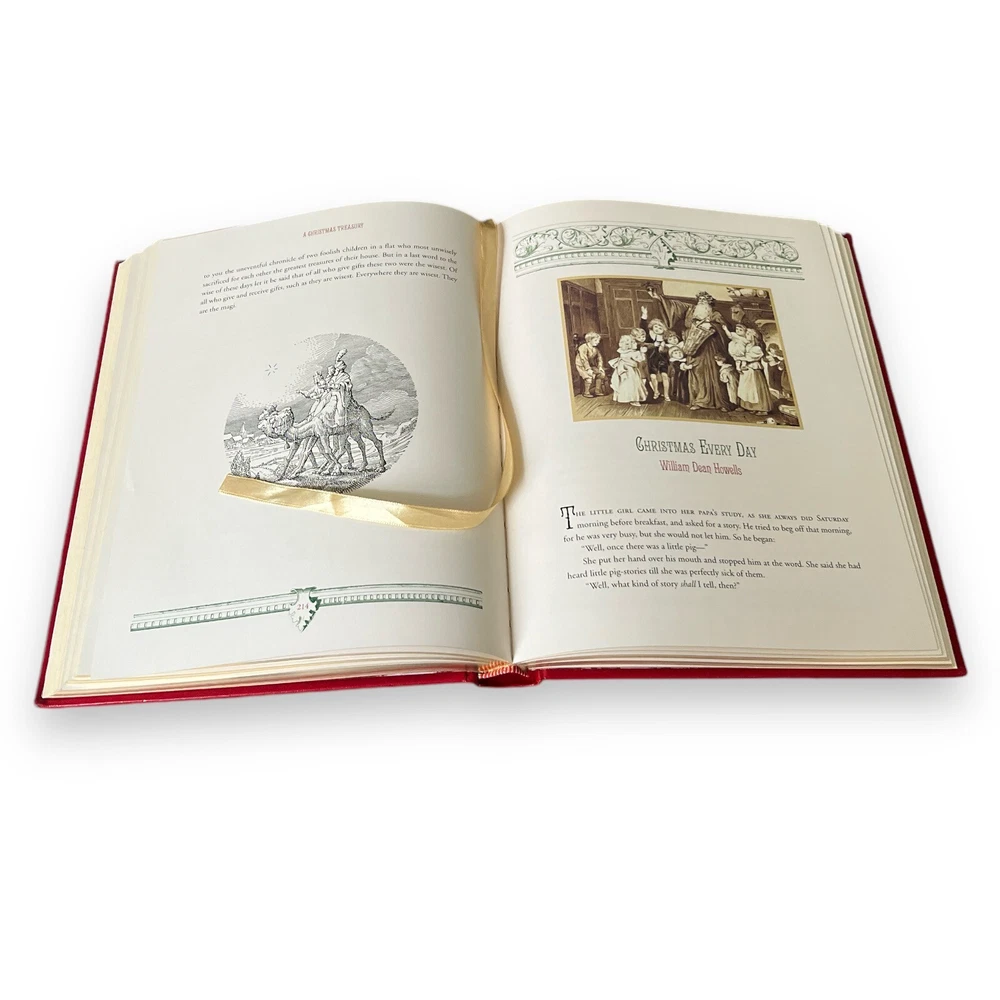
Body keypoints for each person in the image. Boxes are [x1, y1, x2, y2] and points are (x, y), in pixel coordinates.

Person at [682, 292, 732, 411]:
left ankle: (720, 402)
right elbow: (687, 326)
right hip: (696, 349)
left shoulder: (715, 314)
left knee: (714, 373)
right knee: (697, 374)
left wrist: (712, 326)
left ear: (709, 303)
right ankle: (699, 401)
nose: (701, 302)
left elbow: (725, 329)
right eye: (700, 300)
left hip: (711, 348)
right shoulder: (691, 313)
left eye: (704, 300)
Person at [736, 327, 771, 414]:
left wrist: (738, 357)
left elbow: (748, 358)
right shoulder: (747, 346)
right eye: (746, 333)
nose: (746, 335)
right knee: (746, 389)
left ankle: (761, 408)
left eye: (748, 334)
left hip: (754, 370)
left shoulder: (757, 348)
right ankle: (747, 406)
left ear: (754, 336)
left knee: (755, 390)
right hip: (746, 371)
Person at [609, 333, 648, 406]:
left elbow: (638, 360)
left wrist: (641, 354)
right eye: (623, 344)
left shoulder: (627, 352)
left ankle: (630, 398)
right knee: (629, 384)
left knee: (629, 384)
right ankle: (631, 399)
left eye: (627, 344)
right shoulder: (629, 352)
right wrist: (642, 353)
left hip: (628, 370)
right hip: (627, 370)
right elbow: (639, 359)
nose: (625, 346)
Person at [575, 332, 608, 397]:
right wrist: (588, 369)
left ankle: (597, 391)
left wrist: (600, 367)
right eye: (595, 340)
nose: (598, 342)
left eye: (598, 340)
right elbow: (583, 359)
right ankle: (586, 392)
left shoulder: (595, 349)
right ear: (589, 340)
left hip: (591, 365)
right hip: (581, 366)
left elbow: (599, 359)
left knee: (601, 374)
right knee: (589, 377)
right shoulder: (583, 347)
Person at [646, 319, 671, 400]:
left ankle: (666, 394)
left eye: (660, 328)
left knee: (665, 375)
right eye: (656, 327)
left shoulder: (665, 338)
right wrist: (653, 345)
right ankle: (656, 392)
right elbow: (645, 345)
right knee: (653, 376)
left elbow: (670, 348)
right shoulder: (650, 336)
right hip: (652, 360)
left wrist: (664, 347)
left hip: (663, 360)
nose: (657, 329)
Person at [665, 333, 689, 405]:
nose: (673, 340)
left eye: (675, 338)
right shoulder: (674, 361)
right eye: (670, 339)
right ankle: (680, 397)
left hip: (682, 376)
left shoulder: (682, 346)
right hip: (677, 376)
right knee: (678, 386)